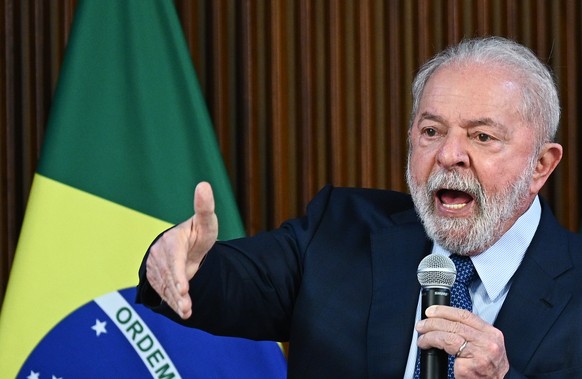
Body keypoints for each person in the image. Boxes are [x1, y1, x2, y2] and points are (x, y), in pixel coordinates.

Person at [136, 36, 582, 378]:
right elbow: (227, 282)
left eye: (482, 137)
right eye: (431, 131)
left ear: (542, 165)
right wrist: (183, 262)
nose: (449, 155)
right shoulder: (338, 231)